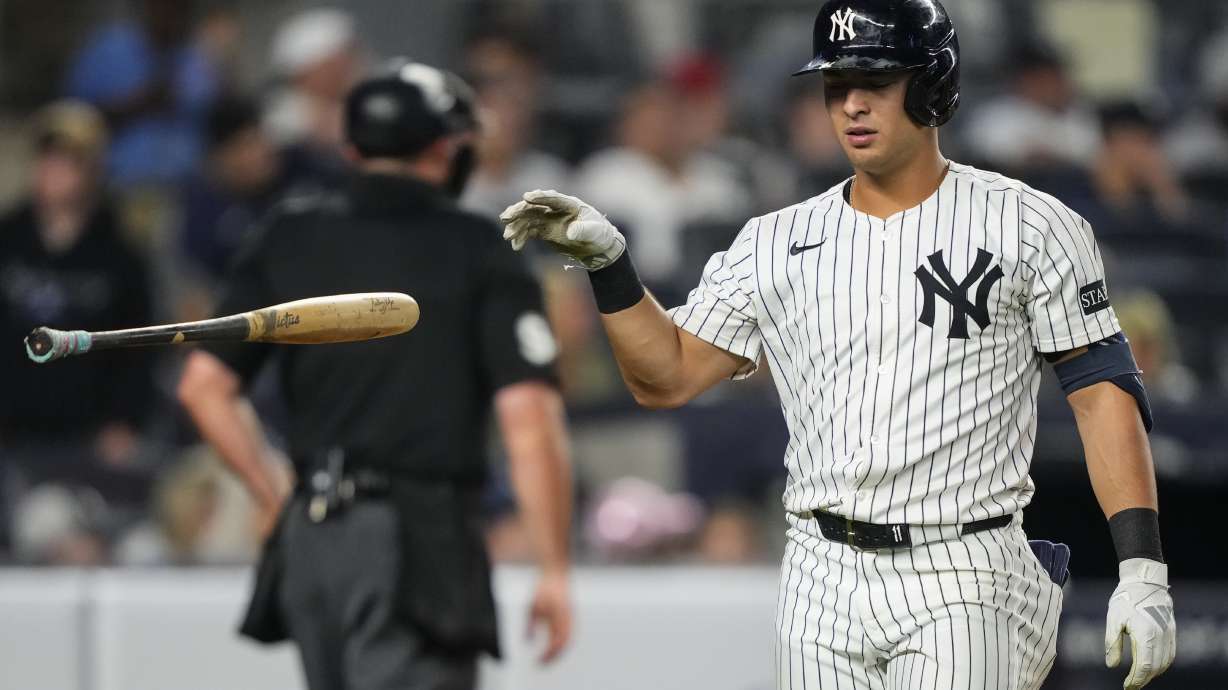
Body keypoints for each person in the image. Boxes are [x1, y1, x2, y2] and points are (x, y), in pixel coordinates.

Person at [500, 2, 1176, 689]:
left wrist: (1142, 568)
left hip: (965, 566)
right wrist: (612, 269)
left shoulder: (1031, 225)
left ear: (933, 84)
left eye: (874, 82)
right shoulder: (773, 241)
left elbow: (1101, 394)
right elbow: (665, 377)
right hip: (819, 572)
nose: (851, 104)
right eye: (835, 85)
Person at [177, 60, 573, 689]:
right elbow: (528, 419)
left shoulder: (289, 232)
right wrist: (553, 567)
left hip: (312, 540)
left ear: (351, 147)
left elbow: (203, 387)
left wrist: (276, 494)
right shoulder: (476, 247)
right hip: (415, 538)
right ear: (447, 148)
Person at [0, 101, 156, 536]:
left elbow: (139, 344)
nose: (55, 171)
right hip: (12, 434)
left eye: (69, 161)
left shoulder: (120, 254)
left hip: (91, 437)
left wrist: (125, 421)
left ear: (92, 170)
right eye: (48, 159)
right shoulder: (7, 241)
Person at [64, 0, 219, 186]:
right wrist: (135, 104)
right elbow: (72, 120)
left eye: (179, 6)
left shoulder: (199, 61)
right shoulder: (106, 51)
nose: (170, 13)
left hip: (185, 187)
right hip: (118, 186)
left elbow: (212, 126)